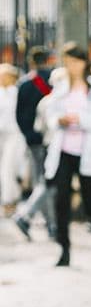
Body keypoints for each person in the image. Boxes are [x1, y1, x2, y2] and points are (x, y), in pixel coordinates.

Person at [42, 44, 91, 267]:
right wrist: (58, 120)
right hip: (64, 150)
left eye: (76, 61)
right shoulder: (60, 86)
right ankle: (64, 249)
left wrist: (81, 119)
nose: (72, 66)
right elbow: (50, 113)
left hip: (87, 151)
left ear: (84, 62)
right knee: (61, 200)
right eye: (68, 62)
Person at [13, 47, 54, 239]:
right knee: (48, 181)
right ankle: (35, 217)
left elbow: (19, 114)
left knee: (42, 179)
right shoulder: (55, 80)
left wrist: (28, 134)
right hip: (53, 138)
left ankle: (49, 222)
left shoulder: (25, 83)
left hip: (33, 139)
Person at [0, 64, 25, 209]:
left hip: (14, 134)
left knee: (8, 167)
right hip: (2, 135)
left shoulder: (16, 92)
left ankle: (9, 200)